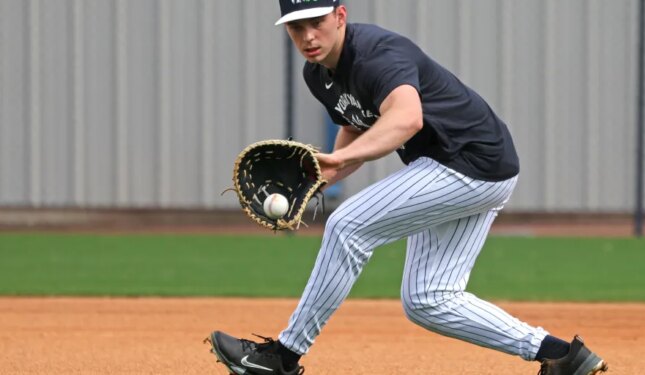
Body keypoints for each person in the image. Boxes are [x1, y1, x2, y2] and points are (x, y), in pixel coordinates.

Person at [207, 1, 608, 374]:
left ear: (340, 16)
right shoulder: (318, 75)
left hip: (470, 161)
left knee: (348, 225)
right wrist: (321, 178)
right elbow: (355, 126)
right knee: (428, 300)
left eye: (318, 22)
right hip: (471, 166)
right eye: (297, 27)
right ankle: (562, 356)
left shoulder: (375, 54)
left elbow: (406, 118)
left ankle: (283, 357)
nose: (309, 36)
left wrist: (338, 160)